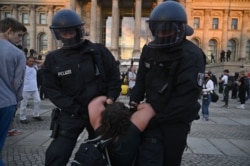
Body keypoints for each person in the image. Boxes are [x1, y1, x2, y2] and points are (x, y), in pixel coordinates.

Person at [129, 1, 206, 166]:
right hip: (152, 111)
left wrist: (152, 118)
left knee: (170, 159)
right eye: (158, 30)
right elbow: (141, 78)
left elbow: (185, 100)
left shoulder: (192, 55)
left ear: (179, 29)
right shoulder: (149, 49)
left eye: (167, 29)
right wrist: (134, 102)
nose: (161, 34)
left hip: (175, 121)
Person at [42, 9, 121, 166]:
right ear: (58, 34)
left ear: (79, 30)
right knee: (56, 154)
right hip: (72, 113)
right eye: (64, 33)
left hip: (100, 111)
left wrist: (110, 98)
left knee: (110, 152)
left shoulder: (99, 51)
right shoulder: (53, 59)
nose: (68, 35)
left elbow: (114, 77)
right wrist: (74, 108)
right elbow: (52, 90)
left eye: (71, 31)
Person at [73, 96, 155, 166]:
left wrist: (109, 99)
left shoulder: (99, 126)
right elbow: (149, 109)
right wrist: (136, 106)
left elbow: (94, 103)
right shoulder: (132, 130)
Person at [0, 17, 27, 166]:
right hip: (6, 103)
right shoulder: (17, 53)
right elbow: (18, 82)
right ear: (9, 31)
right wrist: (16, 101)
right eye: (19, 35)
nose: (20, 40)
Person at [19, 56, 43, 123]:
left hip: (34, 88)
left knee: (38, 101)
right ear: (27, 61)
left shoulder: (35, 67)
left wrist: (36, 61)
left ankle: (36, 115)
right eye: (30, 61)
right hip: (25, 89)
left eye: (33, 61)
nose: (31, 62)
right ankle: (22, 117)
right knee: (24, 103)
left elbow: (43, 62)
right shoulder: (24, 68)